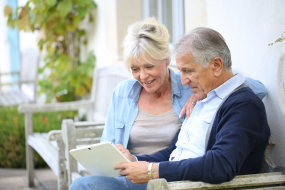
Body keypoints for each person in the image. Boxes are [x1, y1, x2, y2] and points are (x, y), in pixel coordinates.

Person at [69, 26, 270, 189]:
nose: (182, 81)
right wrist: (136, 160)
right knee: (84, 185)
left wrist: (152, 171)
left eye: (188, 71)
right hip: (166, 181)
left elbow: (220, 165)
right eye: (181, 71)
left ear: (216, 66)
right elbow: (173, 151)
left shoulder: (242, 105)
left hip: (187, 185)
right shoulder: (203, 99)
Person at [100, 18, 267, 156]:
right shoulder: (123, 93)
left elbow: (259, 89)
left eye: (149, 67)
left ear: (167, 60)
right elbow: (108, 145)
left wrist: (208, 91)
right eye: (135, 69)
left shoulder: (191, 86)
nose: (142, 76)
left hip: (170, 174)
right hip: (135, 172)